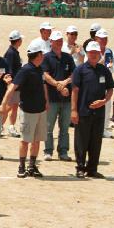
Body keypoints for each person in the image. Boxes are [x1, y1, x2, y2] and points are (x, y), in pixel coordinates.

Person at [0, 40, 48, 178]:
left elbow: (43, 85)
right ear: (37, 55)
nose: (43, 56)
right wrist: (4, 104)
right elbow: (12, 87)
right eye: (42, 53)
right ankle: (21, 166)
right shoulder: (25, 70)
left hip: (40, 110)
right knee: (25, 140)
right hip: (28, 111)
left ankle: (32, 166)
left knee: (37, 140)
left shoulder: (39, 69)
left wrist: (46, 101)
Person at [70, 42, 114, 178]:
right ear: (87, 53)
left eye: (96, 52)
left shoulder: (104, 70)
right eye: (91, 52)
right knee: (81, 141)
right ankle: (80, 167)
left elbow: (110, 88)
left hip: (99, 112)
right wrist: (74, 110)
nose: (94, 54)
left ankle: (92, 168)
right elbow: (75, 91)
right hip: (83, 111)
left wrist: (104, 100)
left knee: (96, 141)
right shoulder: (80, 70)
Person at [41, 30, 75, 162]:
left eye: (61, 41)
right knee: (49, 126)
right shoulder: (46, 57)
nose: (59, 43)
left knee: (65, 127)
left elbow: (73, 74)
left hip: (66, 98)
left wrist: (64, 83)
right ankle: (48, 151)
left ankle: (63, 151)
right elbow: (46, 75)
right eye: (57, 41)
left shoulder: (68, 57)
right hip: (52, 98)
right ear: (51, 42)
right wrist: (58, 85)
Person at [3, 30, 24, 138]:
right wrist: (10, 84)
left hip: (16, 84)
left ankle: (11, 126)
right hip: (13, 84)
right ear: (18, 41)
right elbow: (9, 69)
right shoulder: (11, 53)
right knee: (8, 106)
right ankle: (0, 126)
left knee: (14, 106)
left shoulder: (13, 51)